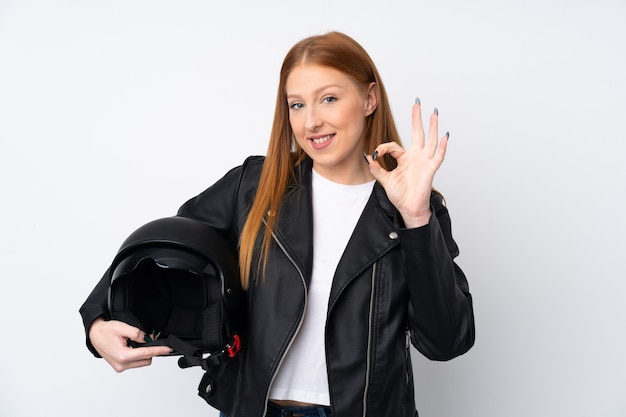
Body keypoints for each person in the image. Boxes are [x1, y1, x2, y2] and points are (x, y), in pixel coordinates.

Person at [80, 31, 475, 417]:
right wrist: (99, 319)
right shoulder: (254, 186)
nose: (312, 122)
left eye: (329, 99)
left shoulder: (418, 210)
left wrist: (416, 218)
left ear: (370, 98)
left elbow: (445, 341)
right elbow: (167, 243)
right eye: (297, 105)